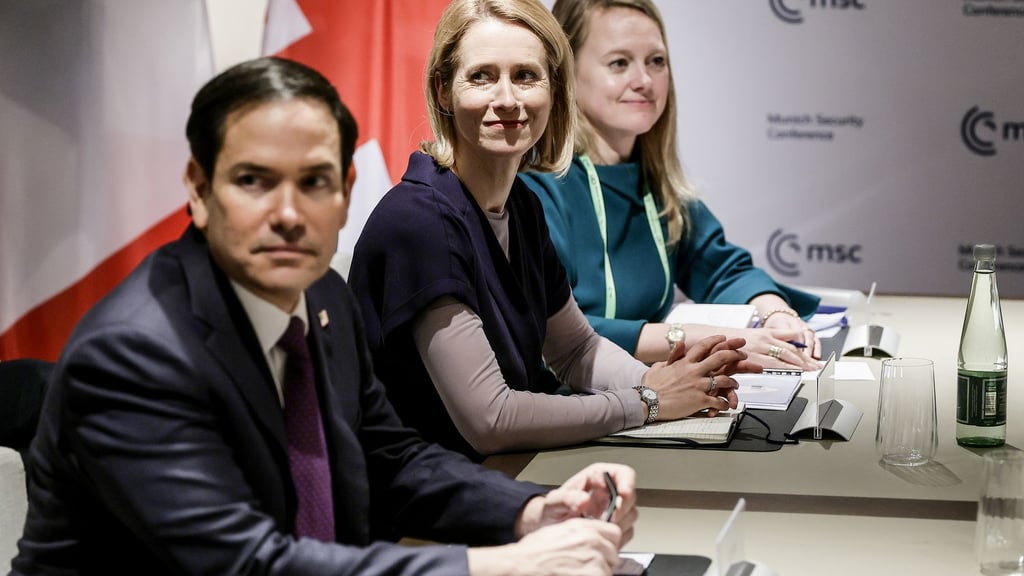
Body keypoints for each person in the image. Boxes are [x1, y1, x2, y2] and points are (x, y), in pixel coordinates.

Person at [11, 56, 640, 576]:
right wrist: (496, 566)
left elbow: (392, 460)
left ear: (344, 196)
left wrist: (534, 512)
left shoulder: (322, 300)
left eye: (314, 182)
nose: (288, 213)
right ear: (199, 192)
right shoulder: (132, 353)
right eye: (254, 181)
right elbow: (247, 565)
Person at [348, 0, 754, 462]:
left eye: (525, 76)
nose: (506, 99)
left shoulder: (520, 205)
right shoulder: (419, 221)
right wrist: (650, 401)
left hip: (498, 474)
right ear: (442, 91)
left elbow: (575, 348)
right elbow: (492, 420)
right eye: (481, 76)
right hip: (417, 509)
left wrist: (670, 385)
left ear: (555, 91)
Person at [520, 0, 822, 369]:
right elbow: (556, 333)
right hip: (574, 410)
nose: (644, 81)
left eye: (656, 61)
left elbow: (722, 269)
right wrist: (708, 340)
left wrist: (776, 315)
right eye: (619, 63)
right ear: (565, 72)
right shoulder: (537, 187)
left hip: (649, 396)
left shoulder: (654, 182)